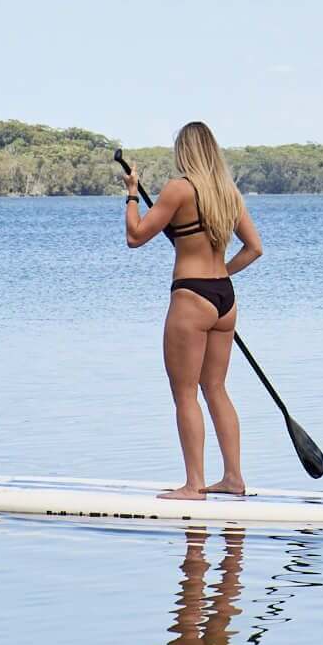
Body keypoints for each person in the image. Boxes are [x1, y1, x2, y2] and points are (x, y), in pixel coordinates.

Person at [121, 121, 265, 499]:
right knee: (216, 388)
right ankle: (233, 478)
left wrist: (132, 194)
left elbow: (135, 236)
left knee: (185, 393)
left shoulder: (179, 189)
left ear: (184, 151)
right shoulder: (228, 193)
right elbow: (254, 248)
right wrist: (221, 274)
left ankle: (193, 485)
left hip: (191, 297)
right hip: (224, 298)